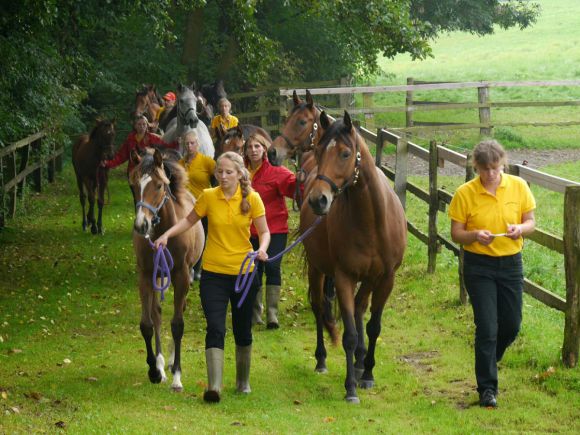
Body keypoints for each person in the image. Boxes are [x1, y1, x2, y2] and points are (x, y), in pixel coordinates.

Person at [154, 151, 270, 403]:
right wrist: (166, 235)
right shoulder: (208, 196)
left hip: (244, 273)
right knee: (215, 327)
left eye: (229, 172)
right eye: (219, 171)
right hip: (213, 274)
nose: (223, 176)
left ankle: (243, 382)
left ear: (240, 174)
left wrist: (262, 249)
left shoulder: (253, 198)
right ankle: (214, 387)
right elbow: (188, 221)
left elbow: (264, 231)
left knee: (242, 329)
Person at [448, 139, 536, 408]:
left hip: (511, 263)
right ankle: (487, 389)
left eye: (495, 168)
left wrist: (520, 229)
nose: (490, 174)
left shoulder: (518, 186)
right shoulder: (465, 193)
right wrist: (474, 235)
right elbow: (456, 233)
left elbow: (531, 222)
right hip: (479, 266)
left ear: (502, 163)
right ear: (476, 167)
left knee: (511, 325)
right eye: (484, 169)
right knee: (487, 327)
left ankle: (488, 359)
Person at [244, 132, 298, 329]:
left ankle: (272, 314)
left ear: (264, 149)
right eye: (250, 147)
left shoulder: (276, 171)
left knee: (272, 267)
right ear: (246, 151)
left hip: (275, 228)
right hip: (248, 230)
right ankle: (255, 312)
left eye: (257, 147)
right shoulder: (241, 172)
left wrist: (302, 178)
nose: (254, 150)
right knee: (253, 270)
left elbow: (294, 188)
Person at [102, 114, 176, 202]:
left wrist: (177, 143)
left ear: (147, 126)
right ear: (135, 126)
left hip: (148, 173)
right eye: (139, 124)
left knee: (149, 198)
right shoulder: (130, 140)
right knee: (137, 199)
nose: (142, 127)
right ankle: (139, 215)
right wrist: (108, 164)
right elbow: (120, 156)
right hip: (133, 173)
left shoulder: (152, 138)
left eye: (144, 124)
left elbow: (165, 146)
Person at [178, 130, 216, 280]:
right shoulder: (180, 163)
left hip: (202, 205)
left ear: (198, 144)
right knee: (185, 235)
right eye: (187, 143)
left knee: (202, 236)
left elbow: (219, 175)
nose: (189, 146)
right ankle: (186, 265)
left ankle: (197, 268)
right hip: (184, 206)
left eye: (192, 143)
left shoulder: (207, 161)